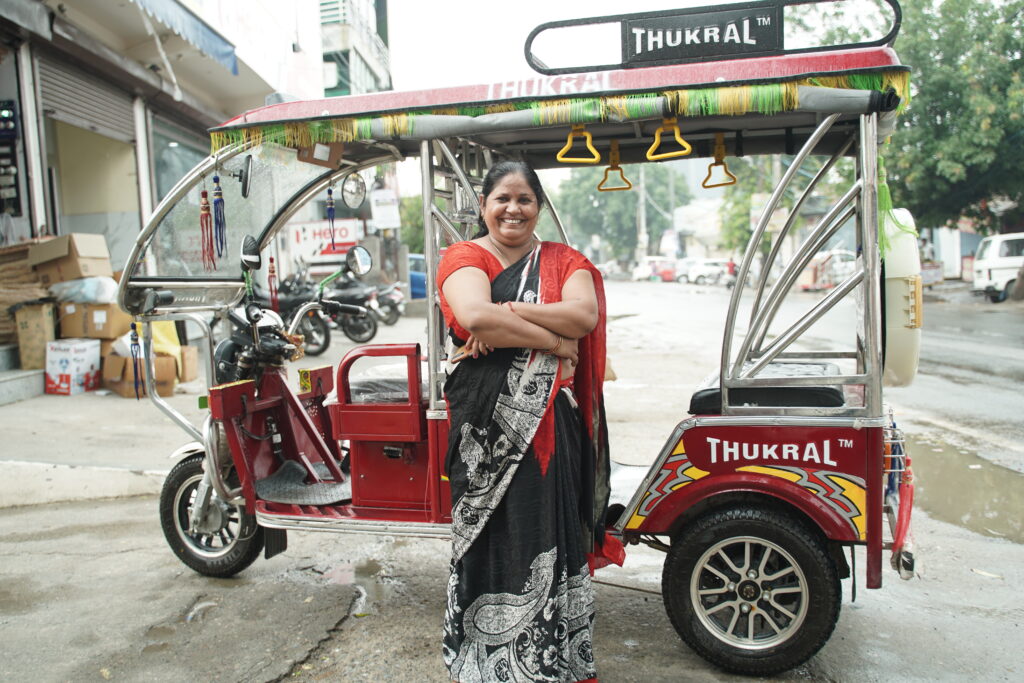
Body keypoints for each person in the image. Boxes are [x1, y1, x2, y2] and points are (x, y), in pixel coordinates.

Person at [437, 160, 622, 682]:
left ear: (538, 207)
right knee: (490, 538)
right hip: (483, 431)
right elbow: (473, 316)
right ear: (483, 206)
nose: (513, 209)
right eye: (502, 199)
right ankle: (484, 661)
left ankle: (548, 661)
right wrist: (555, 341)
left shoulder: (565, 261)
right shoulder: (464, 256)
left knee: (546, 535)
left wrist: (510, 315)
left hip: (548, 432)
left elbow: (583, 316)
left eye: (524, 199)